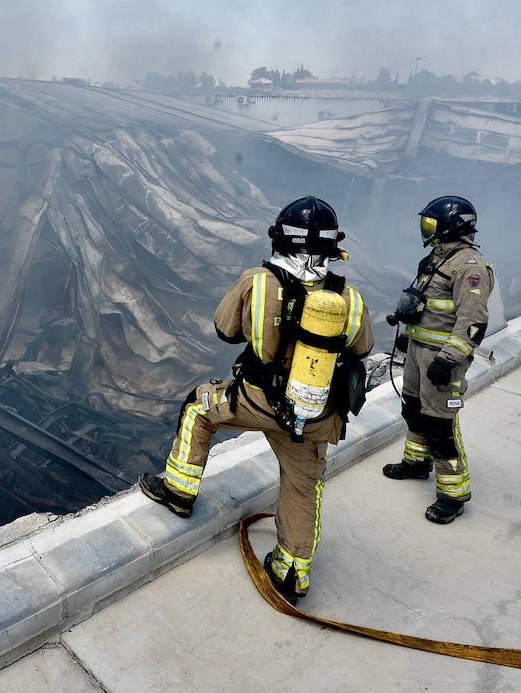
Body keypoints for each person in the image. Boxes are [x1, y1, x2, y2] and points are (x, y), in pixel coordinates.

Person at [139, 196, 374, 602]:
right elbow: (363, 347)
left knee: (199, 408)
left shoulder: (258, 281)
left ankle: (178, 492)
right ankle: (291, 574)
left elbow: (225, 330)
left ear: (281, 238)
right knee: (304, 488)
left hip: (258, 401)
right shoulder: (347, 298)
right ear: (332, 246)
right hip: (312, 413)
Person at [382, 195, 494, 524]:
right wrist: (410, 335)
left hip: (442, 359)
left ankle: (453, 494)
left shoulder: (469, 266)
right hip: (419, 351)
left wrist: (448, 360)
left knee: (440, 425)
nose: (425, 230)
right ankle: (416, 464)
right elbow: (430, 307)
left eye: (430, 224)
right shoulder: (438, 258)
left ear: (449, 227)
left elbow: (473, 322)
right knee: (414, 409)